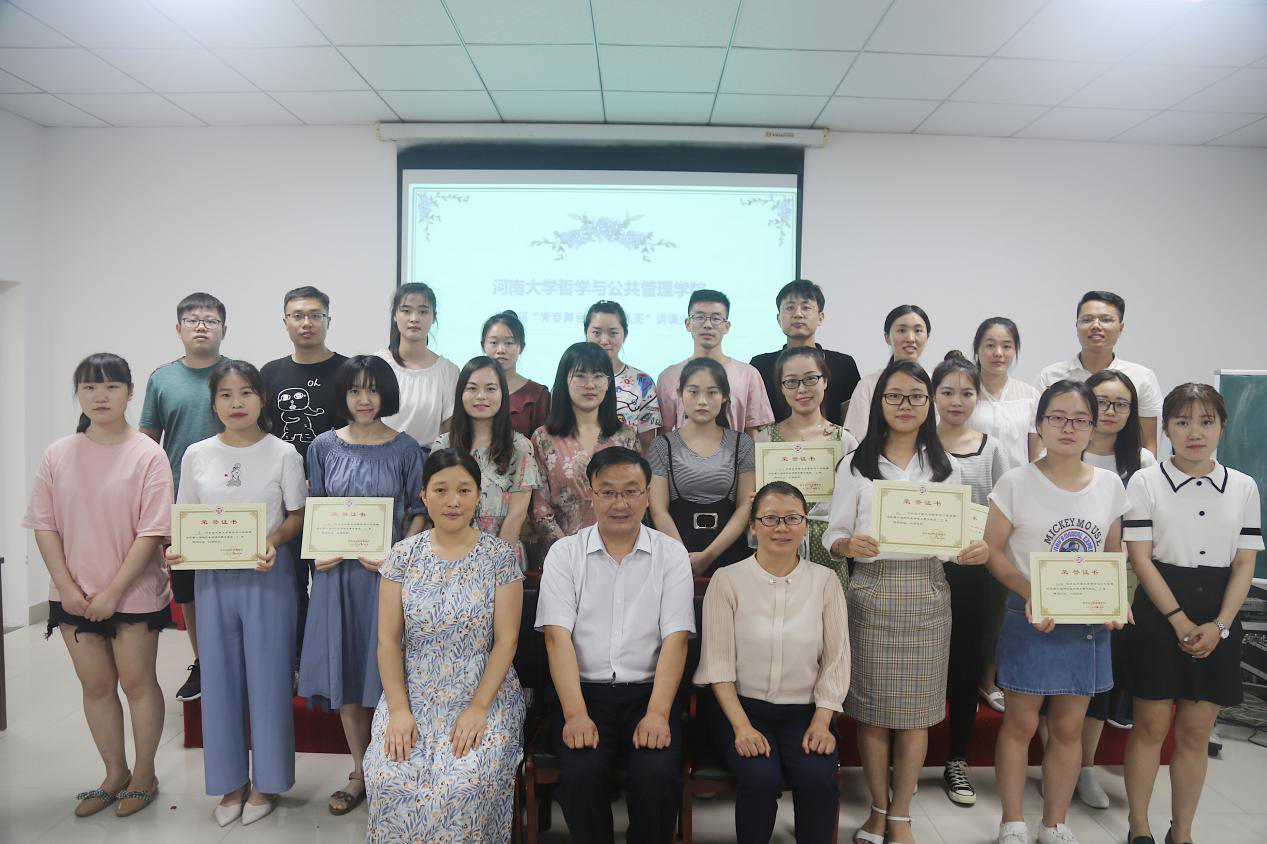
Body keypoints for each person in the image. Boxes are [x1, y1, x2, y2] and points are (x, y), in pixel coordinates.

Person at [823, 360, 989, 844]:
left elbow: (956, 540)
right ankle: (877, 809)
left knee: (917, 713)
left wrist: (973, 549)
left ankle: (901, 814)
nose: (905, 405)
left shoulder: (946, 467)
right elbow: (833, 533)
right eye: (894, 396)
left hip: (928, 594)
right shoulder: (856, 465)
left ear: (928, 403)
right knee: (872, 712)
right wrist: (847, 545)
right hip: (872, 594)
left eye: (916, 396)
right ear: (879, 403)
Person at [23, 353, 173, 819]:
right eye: (89, 387)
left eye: (111, 387)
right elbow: (44, 524)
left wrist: (111, 593)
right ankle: (114, 772)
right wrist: (66, 587)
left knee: (137, 684)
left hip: (133, 593)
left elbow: (152, 531)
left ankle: (144, 774)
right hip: (73, 595)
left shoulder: (148, 453)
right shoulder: (58, 453)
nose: (100, 396)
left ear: (130, 393)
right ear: (79, 394)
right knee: (96, 686)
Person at [984, 380, 1130, 844]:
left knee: (1068, 729)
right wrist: (1032, 592)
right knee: (1021, 724)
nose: (1069, 428)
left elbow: (1113, 554)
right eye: (1058, 418)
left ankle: (1055, 823)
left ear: (1093, 427)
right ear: (1040, 425)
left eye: (1080, 419)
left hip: (1086, 623)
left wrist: (1117, 600)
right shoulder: (1015, 482)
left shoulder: (1109, 486)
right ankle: (1012, 822)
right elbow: (992, 551)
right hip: (1030, 617)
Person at [166, 360, 307, 826]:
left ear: (262, 399)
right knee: (220, 679)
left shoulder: (283, 452)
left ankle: (267, 782)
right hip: (213, 580)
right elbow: (186, 517)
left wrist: (275, 540)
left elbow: (296, 515)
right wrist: (179, 549)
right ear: (213, 403)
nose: (236, 403)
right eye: (225, 395)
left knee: (269, 679)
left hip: (268, 576)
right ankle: (230, 783)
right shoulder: (196, 454)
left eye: (245, 393)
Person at [1121, 384, 1262, 844]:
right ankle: (1139, 826)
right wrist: (1179, 619)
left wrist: (1220, 626)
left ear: (1222, 427)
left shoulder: (1243, 486)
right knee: (1150, 726)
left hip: (1219, 612)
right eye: (1182, 422)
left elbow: (1244, 564)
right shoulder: (1145, 482)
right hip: (1159, 608)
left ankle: (1181, 831)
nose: (1194, 432)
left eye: (1206, 422)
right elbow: (1141, 559)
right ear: (1166, 429)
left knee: (1197, 733)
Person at [363, 449, 525, 843]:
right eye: (441, 490)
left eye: (464, 490)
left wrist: (479, 708)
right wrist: (398, 710)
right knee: (389, 777)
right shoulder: (402, 556)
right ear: (424, 495)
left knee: (462, 784)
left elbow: (506, 640)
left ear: (478, 496)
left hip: (483, 691)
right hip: (414, 690)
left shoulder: (500, 557)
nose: (453, 501)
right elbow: (388, 640)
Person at [536, 446, 695, 844]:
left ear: (647, 495)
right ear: (591, 494)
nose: (619, 503)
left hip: (649, 693)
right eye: (607, 492)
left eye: (630, 491)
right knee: (581, 774)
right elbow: (557, 637)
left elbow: (676, 639)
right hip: (582, 694)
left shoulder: (671, 554)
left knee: (657, 775)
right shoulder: (565, 554)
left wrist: (658, 713)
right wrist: (575, 714)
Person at [298, 356, 425, 816]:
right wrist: (316, 552)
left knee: (390, 673)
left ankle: (394, 769)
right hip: (337, 577)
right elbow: (316, 507)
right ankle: (359, 771)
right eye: (355, 390)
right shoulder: (322, 447)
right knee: (348, 671)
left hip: (387, 578)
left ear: (385, 393)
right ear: (344, 395)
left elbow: (418, 512)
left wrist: (398, 558)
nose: (364, 399)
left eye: (372, 389)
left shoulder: (407, 448)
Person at [694, 481, 850, 844]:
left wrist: (822, 722)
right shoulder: (727, 580)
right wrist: (742, 728)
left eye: (792, 518)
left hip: (804, 712)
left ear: (805, 524)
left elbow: (836, 659)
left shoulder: (825, 581)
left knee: (817, 780)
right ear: (753, 525)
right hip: (739, 709)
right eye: (770, 518)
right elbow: (717, 664)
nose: (782, 527)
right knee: (760, 779)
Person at [139, 292, 228, 703]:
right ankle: (203, 660)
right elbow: (147, 445)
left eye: (210, 320)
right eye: (192, 320)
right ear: (179, 329)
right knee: (188, 588)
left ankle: (236, 659)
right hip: (182, 504)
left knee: (232, 583)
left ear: (224, 329)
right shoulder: (162, 379)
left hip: (235, 500)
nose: (201, 327)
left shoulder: (237, 376)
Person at [931, 351, 1009, 807]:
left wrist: (989, 546)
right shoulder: (916, 445)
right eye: (947, 392)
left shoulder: (993, 449)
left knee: (964, 668)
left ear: (978, 397)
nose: (956, 401)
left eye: (966, 393)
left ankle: (956, 759)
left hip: (974, 574)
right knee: (921, 665)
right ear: (933, 396)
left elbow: (1005, 512)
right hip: (923, 571)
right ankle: (909, 752)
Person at [261, 285, 349, 662]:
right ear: (285, 322)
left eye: (315, 315)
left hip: (335, 498)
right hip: (287, 502)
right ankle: (296, 659)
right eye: (298, 315)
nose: (307, 322)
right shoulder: (270, 373)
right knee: (292, 584)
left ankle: (330, 659)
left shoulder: (348, 371)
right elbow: (262, 436)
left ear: (329, 320)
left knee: (333, 582)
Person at [754, 346, 858, 589]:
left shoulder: (845, 441)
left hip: (828, 549)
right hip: (778, 545)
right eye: (791, 382)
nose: (801, 389)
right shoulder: (765, 439)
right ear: (781, 388)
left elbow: (855, 503)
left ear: (825, 381)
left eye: (811, 379)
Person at [649, 358, 756, 576]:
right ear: (680, 395)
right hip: (674, 556)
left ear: (724, 396)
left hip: (731, 555)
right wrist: (682, 558)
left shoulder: (742, 444)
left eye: (712, 393)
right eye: (693, 392)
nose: (702, 401)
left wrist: (708, 556)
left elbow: (744, 508)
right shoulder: (662, 445)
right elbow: (658, 510)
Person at [530, 342, 638, 554]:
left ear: (608, 383)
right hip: (562, 554)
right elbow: (540, 509)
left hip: (619, 551)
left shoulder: (626, 436)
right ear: (564, 380)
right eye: (580, 376)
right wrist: (569, 552)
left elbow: (636, 498)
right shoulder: (543, 438)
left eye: (598, 376)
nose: (590, 384)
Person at [433, 356, 541, 568]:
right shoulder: (443, 445)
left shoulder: (520, 447)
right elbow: (437, 506)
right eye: (472, 388)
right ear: (460, 394)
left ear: (503, 394)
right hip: (450, 556)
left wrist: (492, 564)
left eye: (490, 389)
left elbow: (516, 515)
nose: (481, 396)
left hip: (502, 556)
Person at [1037, 291, 1162, 456]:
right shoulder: (1050, 377)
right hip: (1062, 467)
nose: (1096, 326)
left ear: (1121, 328)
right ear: (1076, 326)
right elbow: (1039, 438)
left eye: (1106, 319)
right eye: (1087, 319)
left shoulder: (1142, 378)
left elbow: (1148, 443)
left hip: (1123, 468)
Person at [656, 289, 774, 437]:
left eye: (716, 318)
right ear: (688, 324)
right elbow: (664, 433)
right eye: (699, 317)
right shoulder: (669, 376)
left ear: (727, 326)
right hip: (681, 452)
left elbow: (755, 432)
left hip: (735, 452)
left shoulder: (748, 374)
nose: (707, 325)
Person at [749, 279, 861, 425]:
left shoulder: (843, 364)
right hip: (774, 440)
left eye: (806, 307)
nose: (798, 314)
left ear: (820, 317)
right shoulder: (760, 365)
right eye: (790, 308)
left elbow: (851, 419)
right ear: (779, 319)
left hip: (832, 439)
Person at [376, 282, 459, 449]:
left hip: (429, 460)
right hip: (380, 457)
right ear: (395, 315)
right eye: (406, 311)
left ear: (434, 317)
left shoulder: (448, 371)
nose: (414, 318)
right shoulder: (377, 364)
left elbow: (449, 433)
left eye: (423, 311)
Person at [843, 305, 931, 442]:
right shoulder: (868, 385)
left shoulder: (936, 384)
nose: (910, 338)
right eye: (902, 330)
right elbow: (856, 440)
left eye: (918, 330)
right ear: (887, 337)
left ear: (927, 337)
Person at [585, 299, 661, 454]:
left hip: (626, 466)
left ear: (624, 335)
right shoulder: (571, 379)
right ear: (586, 333)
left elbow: (647, 445)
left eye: (613, 333)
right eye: (596, 333)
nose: (604, 341)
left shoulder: (642, 382)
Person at [970, 317, 1041, 470]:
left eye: (1007, 346)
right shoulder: (965, 395)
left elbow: (1035, 456)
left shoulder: (1030, 396)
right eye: (990, 345)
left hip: (1019, 482)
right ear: (977, 349)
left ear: (1015, 350)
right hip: (972, 481)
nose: (998, 353)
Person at [482, 310, 550, 440]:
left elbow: (544, 445)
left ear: (521, 347)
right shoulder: (472, 390)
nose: (501, 350)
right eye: (494, 342)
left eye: (509, 343)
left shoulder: (538, 395)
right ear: (483, 345)